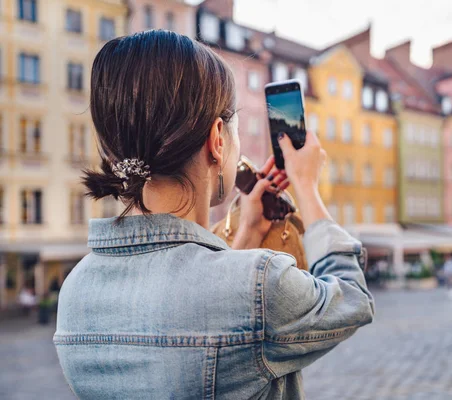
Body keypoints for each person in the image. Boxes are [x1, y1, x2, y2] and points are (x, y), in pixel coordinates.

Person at [53, 31, 374, 399]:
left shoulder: (75, 292)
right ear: (218, 139)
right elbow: (352, 299)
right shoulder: (258, 283)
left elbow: (202, 307)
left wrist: (248, 233)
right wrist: (305, 184)